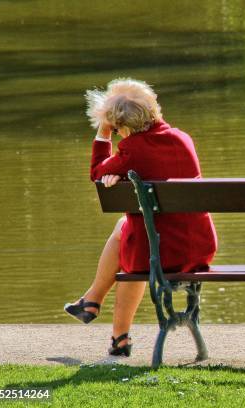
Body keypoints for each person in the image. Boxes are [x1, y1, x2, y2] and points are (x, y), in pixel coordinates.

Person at [65, 78, 217, 357]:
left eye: (116, 128)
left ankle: (113, 328)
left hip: (163, 252)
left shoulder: (132, 150)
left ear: (122, 127)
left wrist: (103, 135)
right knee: (128, 228)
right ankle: (92, 301)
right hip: (199, 246)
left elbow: (97, 174)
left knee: (131, 239)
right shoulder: (183, 138)